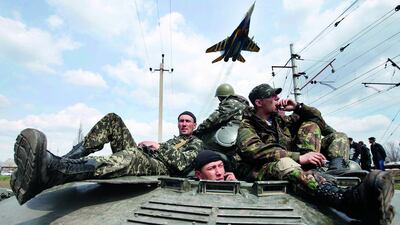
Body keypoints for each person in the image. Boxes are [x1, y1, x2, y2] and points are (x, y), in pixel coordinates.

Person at [236, 83, 395, 225]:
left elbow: (318, 121)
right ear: (259, 102)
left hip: (296, 162)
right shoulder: (247, 125)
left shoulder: (279, 120)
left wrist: (298, 107)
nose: (278, 98)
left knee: (335, 135)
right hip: (261, 169)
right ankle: (347, 201)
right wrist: (299, 157)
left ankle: (335, 170)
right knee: (286, 163)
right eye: (272, 96)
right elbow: (253, 150)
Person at [11, 111, 203, 205]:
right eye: (181, 120)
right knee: (113, 120)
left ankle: (59, 169)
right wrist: (149, 146)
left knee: (132, 155)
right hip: (147, 157)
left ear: (194, 125)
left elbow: (182, 163)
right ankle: (62, 161)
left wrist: (158, 146)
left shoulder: (196, 142)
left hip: (162, 168)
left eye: (188, 121)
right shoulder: (173, 140)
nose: (183, 124)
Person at [194, 83, 249, 174]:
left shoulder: (230, 103)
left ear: (220, 97)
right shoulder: (243, 104)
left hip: (231, 137)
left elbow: (213, 120)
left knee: (202, 144)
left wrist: (197, 131)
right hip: (242, 137)